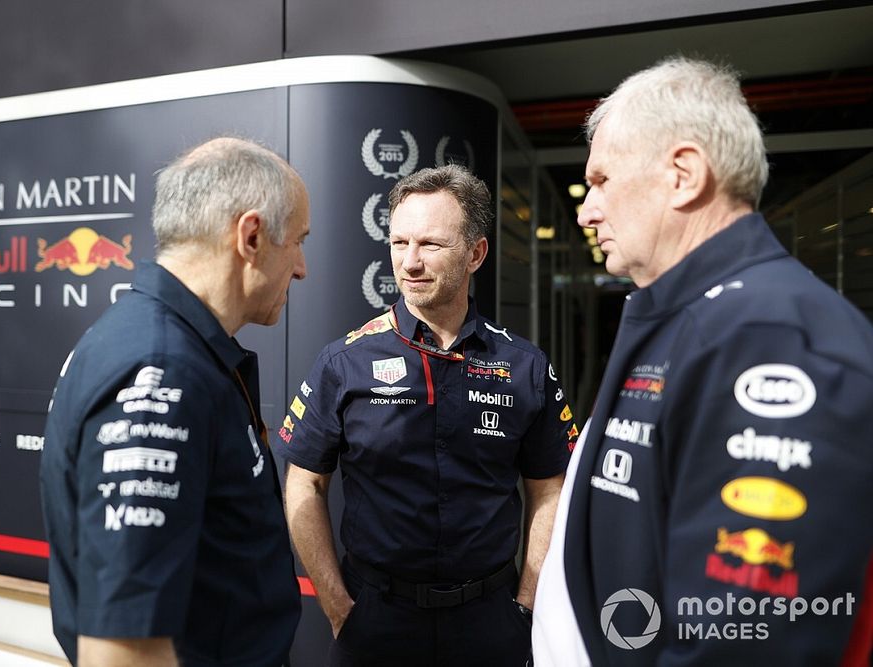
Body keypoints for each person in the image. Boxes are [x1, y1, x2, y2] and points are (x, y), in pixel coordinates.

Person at [532, 56, 873, 666]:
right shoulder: (687, 317)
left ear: (684, 175)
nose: (586, 210)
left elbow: (751, 640)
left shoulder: (772, 339)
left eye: (603, 181)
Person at [274, 164, 576, 666]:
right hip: (374, 621)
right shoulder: (343, 361)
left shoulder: (524, 365)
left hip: (490, 623)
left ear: (475, 253)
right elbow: (304, 482)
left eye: (431, 245)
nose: (410, 262)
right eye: (399, 243)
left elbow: (549, 488)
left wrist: (526, 602)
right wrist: (336, 602)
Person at [39, 137, 309, 666]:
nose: (301, 267)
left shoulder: (157, 344)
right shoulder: (163, 370)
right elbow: (123, 652)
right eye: (297, 241)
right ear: (251, 236)